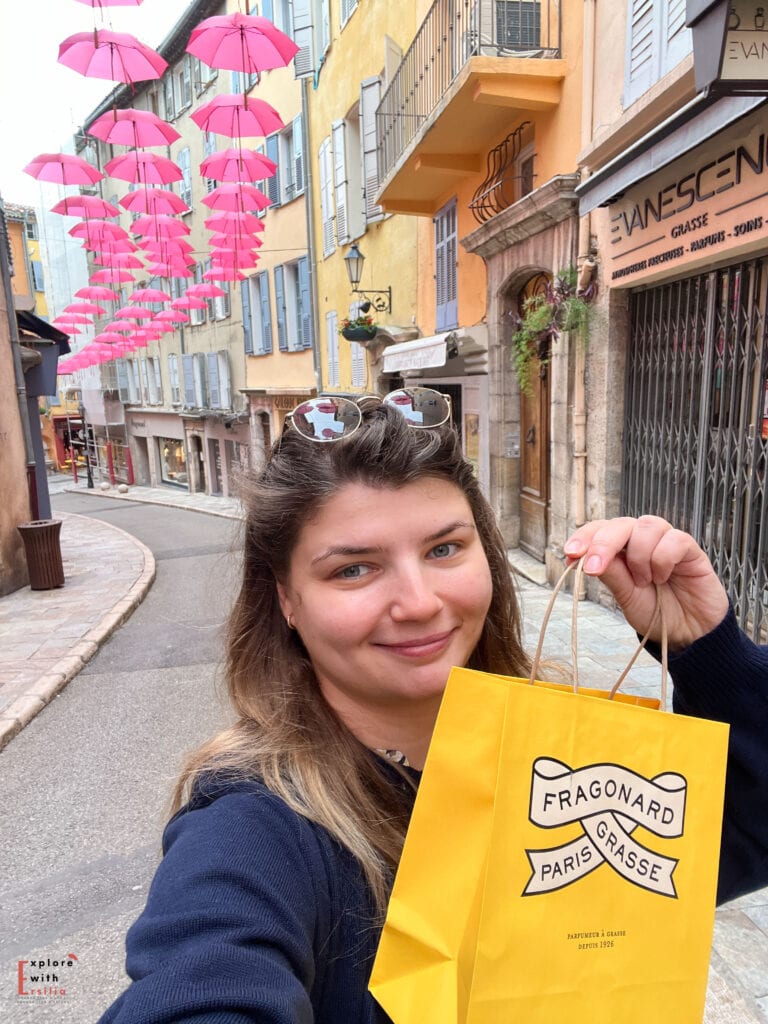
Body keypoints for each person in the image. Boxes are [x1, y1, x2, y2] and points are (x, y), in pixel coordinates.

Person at [98, 395, 768, 1024]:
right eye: (353, 569)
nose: (418, 601)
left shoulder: (565, 756)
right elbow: (202, 975)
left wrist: (710, 649)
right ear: (287, 600)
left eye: (444, 549)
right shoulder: (259, 827)